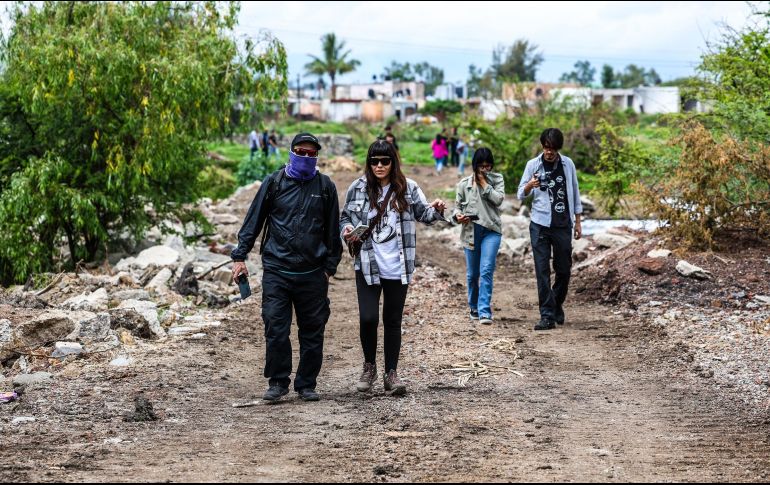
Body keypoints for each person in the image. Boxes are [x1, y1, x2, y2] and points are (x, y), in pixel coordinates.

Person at [231, 132, 342, 402]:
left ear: (317, 156)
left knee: (313, 330)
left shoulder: (325, 187)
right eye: (300, 152)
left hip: (312, 273)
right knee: (276, 327)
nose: (306, 157)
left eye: (311, 154)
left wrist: (329, 268)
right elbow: (253, 221)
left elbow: (332, 231)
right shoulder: (274, 182)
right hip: (277, 271)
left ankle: (306, 384)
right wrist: (239, 256)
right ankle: (278, 381)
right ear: (291, 153)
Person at [340, 139, 447, 396]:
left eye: (384, 161)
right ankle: (369, 367)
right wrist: (346, 229)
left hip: (398, 265)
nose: (379, 166)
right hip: (367, 263)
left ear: (393, 162)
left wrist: (437, 209)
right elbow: (344, 217)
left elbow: (424, 214)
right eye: (374, 161)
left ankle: (391, 373)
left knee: (392, 320)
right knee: (368, 318)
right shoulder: (358, 188)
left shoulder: (408, 188)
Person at [517, 128, 583, 331]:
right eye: (546, 148)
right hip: (539, 224)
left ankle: (556, 303)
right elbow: (520, 194)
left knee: (564, 269)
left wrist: (578, 221)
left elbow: (575, 191)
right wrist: (529, 185)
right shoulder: (532, 165)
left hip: (563, 224)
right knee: (542, 270)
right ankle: (547, 315)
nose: (549, 152)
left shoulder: (568, 164)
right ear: (542, 146)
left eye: (553, 149)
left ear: (558, 148)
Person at [452, 148, 504, 325]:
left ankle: (484, 311)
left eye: (488, 166)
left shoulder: (497, 179)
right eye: (481, 166)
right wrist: (458, 216)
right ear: (475, 166)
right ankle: (473, 306)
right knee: (472, 274)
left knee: (487, 270)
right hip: (470, 232)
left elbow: (498, 199)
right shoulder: (463, 184)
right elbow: (457, 207)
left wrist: (483, 184)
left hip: (491, 231)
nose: (484, 169)